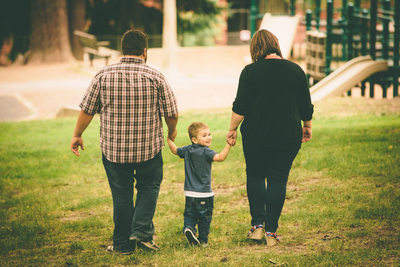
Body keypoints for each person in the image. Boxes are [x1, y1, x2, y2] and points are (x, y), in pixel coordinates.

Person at [70, 29, 178, 254]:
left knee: (122, 195)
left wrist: (77, 134)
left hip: (114, 152)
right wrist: (171, 131)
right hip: (148, 149)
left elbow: (87, 110)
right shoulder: (156, 77)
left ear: (123, 50)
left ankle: (122, 245)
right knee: (149, 186)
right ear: (145, 51)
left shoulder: (103, 75)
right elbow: (172, 113)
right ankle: (141, 232)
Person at [226, 29, 314, 247]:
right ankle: (271, 232)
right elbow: (306, 105)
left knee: (255, 175)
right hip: (287, 134)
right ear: (276, 45)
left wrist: (232, 128)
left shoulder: (250, 71)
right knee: (278, 179)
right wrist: (307, 125)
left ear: (256, 48)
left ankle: (257, 227)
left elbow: (241, 106)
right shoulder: (295, 70)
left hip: (256, 134)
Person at [167, 122, 231, 246]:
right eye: (204, 135)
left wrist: (169, 139)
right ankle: (203, 240)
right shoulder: (206, 152)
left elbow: (174, 150)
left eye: (209, 134)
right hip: (204, 194)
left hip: (190, 193)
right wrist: (228, 145)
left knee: (190, 214)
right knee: (204, 218)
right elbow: (220, 157)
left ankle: (189, 228)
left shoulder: (187, 150)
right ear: (194, 140)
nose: (209, 137)